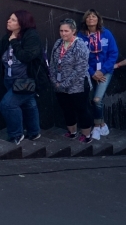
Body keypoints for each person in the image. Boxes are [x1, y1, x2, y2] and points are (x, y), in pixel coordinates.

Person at [0, 10, 44, 145]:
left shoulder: (31, 36)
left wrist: (14, 41)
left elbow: (26, 56)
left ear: (22, 22)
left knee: (7, 105)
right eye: (9, 19)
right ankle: (34, 132)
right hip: (10, 79)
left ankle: (16, 135)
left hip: (25, 80)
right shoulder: (7, 37)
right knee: (29, 104)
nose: (8, 21)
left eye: (13, 20)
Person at [50, 18, 93, 144]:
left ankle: (86, 135)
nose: (63, 33)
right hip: (59, 84)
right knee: (66, 108)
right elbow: (52, 63)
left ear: (73, 31)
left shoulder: (80, 46)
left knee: (82, 109)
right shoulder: (58, 43)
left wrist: (64, 84)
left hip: (78, 85)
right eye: (61, 30)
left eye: (66, 31)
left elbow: (79, 70)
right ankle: (72, 132)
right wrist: (54, 80)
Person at [79, 10, 119, 141]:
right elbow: (80, 57)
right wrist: (92, 72)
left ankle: (96, 125)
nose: (91, 18)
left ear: (98, 19)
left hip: (105, 72)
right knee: (90, 100)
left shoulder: (106, 34)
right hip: (89, 72)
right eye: (88, 17)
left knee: (97, 99)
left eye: (94, 16)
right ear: (85, 20)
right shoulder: (81, 36)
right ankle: (102, 124)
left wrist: (102, 71)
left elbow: (113, 53)